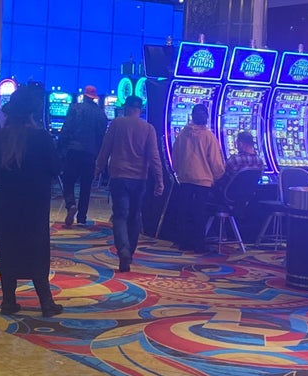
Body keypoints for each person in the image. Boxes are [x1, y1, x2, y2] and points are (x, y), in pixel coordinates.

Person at [0, 87, 62, 316]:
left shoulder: (1, 137)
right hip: (35, 205)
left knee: (7, 249)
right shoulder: (41, 137)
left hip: (7, 204)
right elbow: (56, 167)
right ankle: (46, 302)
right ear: (32, 112)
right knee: (37, 250)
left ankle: (8, 301)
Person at [94, 94, 164, 272]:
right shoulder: (148, 128)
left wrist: (98, 168)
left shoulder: (116, 124)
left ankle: (123, 251)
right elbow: (154, 157)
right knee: (134, 216)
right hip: (139, 178)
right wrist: (159, 180)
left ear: (126, 108)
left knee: (120, 215)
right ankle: (130, 252)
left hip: (119, 176)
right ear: (140, 110)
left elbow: (105, 148)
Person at [172, 103, 225, 254]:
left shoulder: (183, 134)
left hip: (185, 179)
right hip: (203, 180)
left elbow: (175, 157)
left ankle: (184, 243)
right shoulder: (209, 136)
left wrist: (180, 172)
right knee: (199, 212)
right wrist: (218, 176)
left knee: (184, 212)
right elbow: (215, 162)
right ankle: (198, 244)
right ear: (206, 118)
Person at [59, 84, 108, 226]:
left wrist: (60, 148)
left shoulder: (75, 108)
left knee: (68, 181)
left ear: (84, 96)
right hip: (90, 153)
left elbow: (66, 129)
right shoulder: (101, 114)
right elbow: (101, 137)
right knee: (86, 186)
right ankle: (82, 217)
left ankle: (70, 204)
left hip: (73, 150)